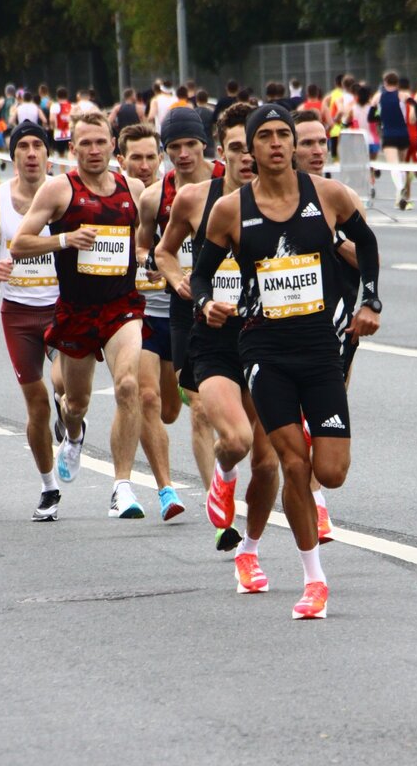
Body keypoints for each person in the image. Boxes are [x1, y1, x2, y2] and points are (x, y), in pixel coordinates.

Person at [191, 104, 383, 619]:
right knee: (293, 465)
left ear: (295, 144)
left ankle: (304, 562)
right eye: (266, 137)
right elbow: (202, 274)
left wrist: (370, 301)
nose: (276, 144)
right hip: (264, 352)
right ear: (250, 149)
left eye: (284, 135)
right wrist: (206, 303)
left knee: (332, 471)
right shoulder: (231, 210)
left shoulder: (328, 196)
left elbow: (366, 243)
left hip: (321, 350)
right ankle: (314, 580)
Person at [156, 104, 281, 568]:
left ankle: (249, 551)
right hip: (211, 333)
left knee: (269, 464)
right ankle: (223, 475)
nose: (247, 158)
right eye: (236, 148)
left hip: (269, 337)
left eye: (253, 148)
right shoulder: (193, 200)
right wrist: (179, 279)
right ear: (221, 151)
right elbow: (164, 251)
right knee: (236, 438)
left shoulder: (285, 202)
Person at [9, 112, 149, 519]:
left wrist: (147, 257)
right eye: (84, 143)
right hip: (76, 312)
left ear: (113, 147)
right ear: (72, 149)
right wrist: (66, 238)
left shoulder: (132, 188)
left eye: (100, 142)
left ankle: (122, 486)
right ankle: (72, 435)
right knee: (76, 403)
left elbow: (142, 242)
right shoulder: (59, 190)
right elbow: (19, 244)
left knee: (127, 386)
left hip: (122, 307)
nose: (93, 150)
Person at [137, 107, 228, 535]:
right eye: (174, 147)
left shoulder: (232, 181)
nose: (183, 154)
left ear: (205, 144)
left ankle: (230, 475)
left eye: (190, 145)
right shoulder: (156, 197)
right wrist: (167, 273)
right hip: (183, 305)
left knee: (234, 412)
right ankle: (219, 502)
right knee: (196, 411)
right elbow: (147, 248)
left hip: (234, 303)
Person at [0, 122, 67, 521]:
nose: (30, 153)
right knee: (37, 404)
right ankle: (48, 487)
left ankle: (72, 419)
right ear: (12, 155)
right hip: (19, 314)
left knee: (64, 387)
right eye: (22, 147)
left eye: (37, 146)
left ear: (47, 154)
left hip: (63, 307)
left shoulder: (65, 194)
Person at [294, 107, 370, 543]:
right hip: (286, 323)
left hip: (338, 322)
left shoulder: (342, 197)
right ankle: (314, 504)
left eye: (322, 142)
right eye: (307, 142)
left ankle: (316, 495)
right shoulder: (269, 199)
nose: (317, 150)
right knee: (294, 416)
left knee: (326, 413)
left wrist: (333, 239)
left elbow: (368, 258)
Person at [120, 122, 188, 522]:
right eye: (136, 158)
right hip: (136, 313)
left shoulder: (168, 196)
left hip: (177, 314)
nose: (144, 165)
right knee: (145, 398)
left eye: (150, 157)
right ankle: (166, 490)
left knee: (169, 410)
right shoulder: (112, 197)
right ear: (121, 159)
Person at [371, 72, 412, 210]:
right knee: (401, 166)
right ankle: (399, 197)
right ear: (397, 83)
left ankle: (400, 189)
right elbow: (414, 110)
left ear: (385, 82)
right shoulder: (403, 95)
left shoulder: (378, 96)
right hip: (403, 133)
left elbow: (371, 116)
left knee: (394, 166)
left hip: (388, 133)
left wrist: (380, 119)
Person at [116, 122, 161, 189]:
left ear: (159, 160)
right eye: (136, 158)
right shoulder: (113, 198)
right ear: (121, 162)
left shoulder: (174, 196)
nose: (145, 166)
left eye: (150, 157)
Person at [49, 87, 75, 158]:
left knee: (61, 155)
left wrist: (52, 127)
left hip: (59, 134)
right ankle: (71, 168)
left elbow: (51, 119)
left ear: (57, 96)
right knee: (71, 152)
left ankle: (62, 169)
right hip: (70, 134)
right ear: (67, 95)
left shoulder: (54, 106)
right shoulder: (71, 106)